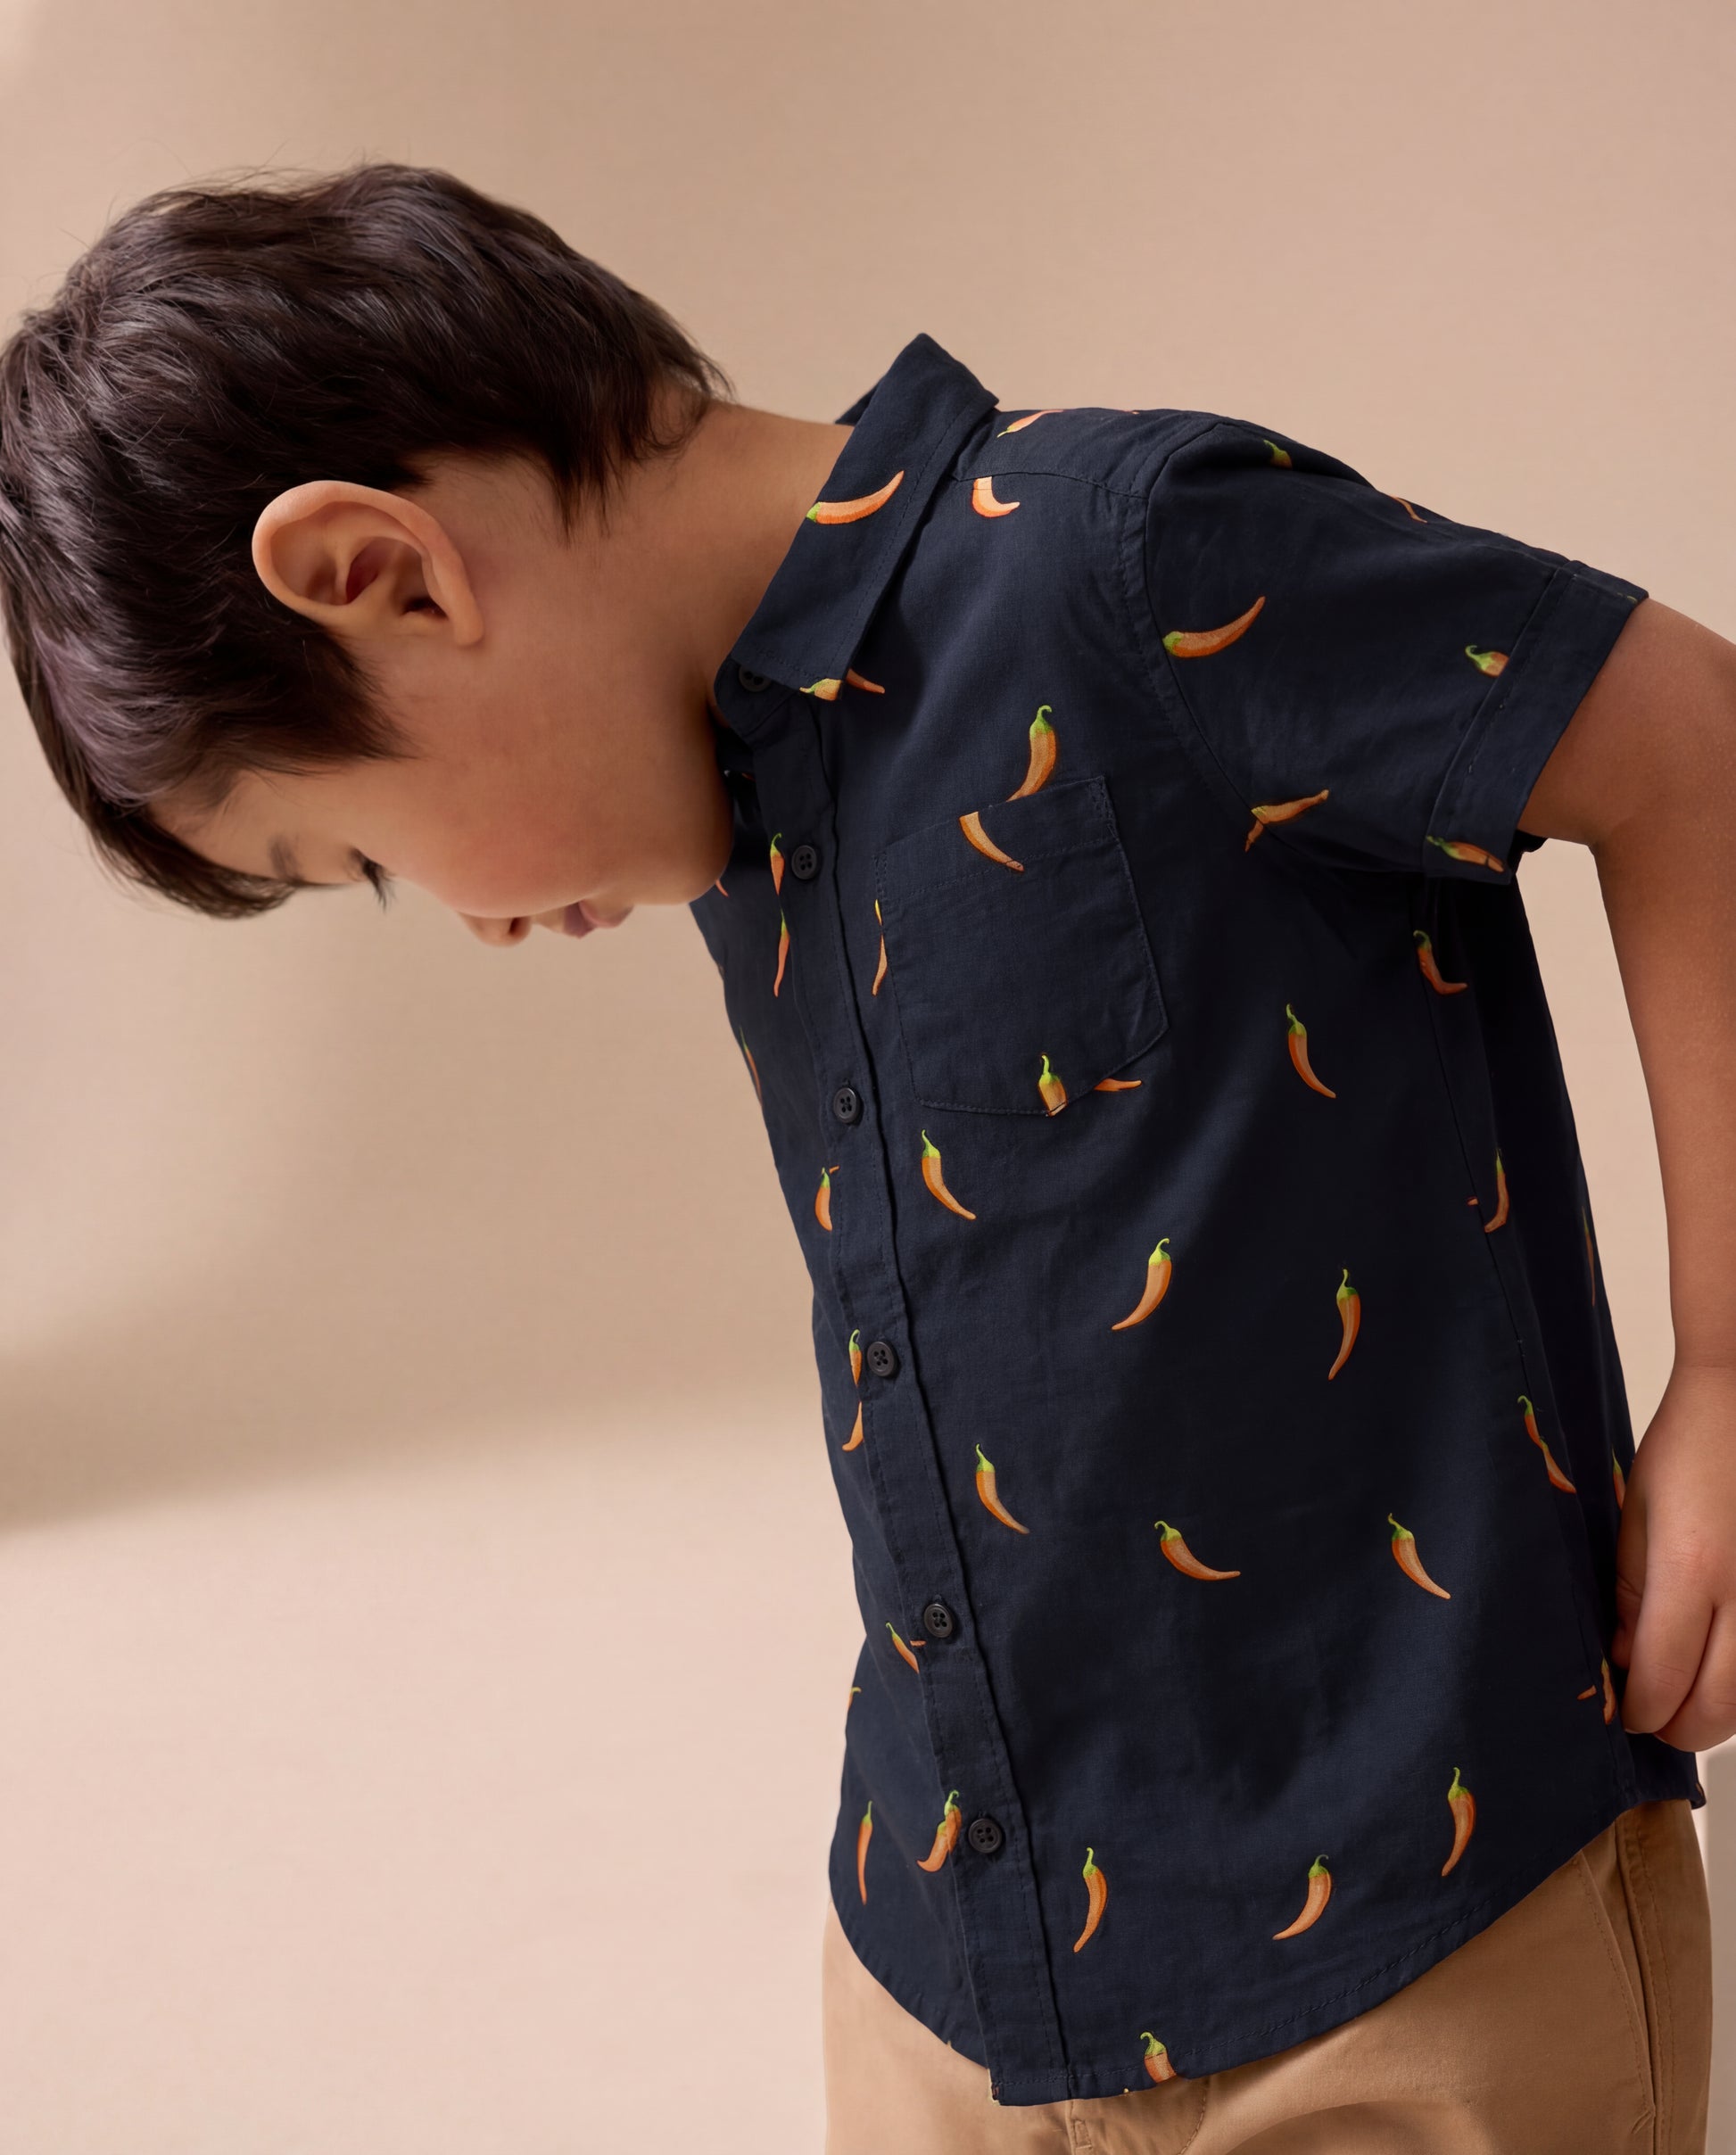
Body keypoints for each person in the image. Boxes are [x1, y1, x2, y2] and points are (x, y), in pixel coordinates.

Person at [0, 163, 1726, 2154]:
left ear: (384, 573)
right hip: (946, 1970)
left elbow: (1684, 728)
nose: (459, 917)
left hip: (1417, 1947)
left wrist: (1728, 1363)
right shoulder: (741, 795)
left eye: (362, 850)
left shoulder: (1123, 555)